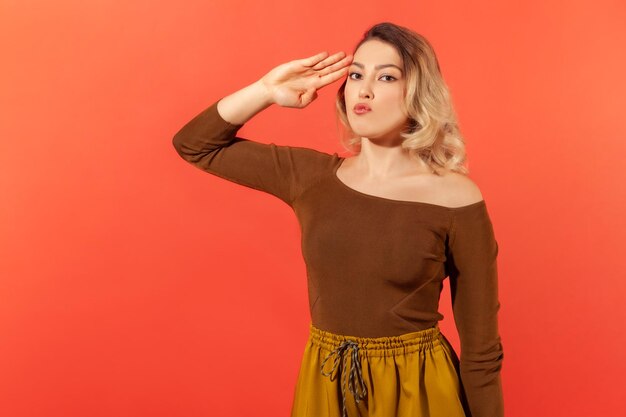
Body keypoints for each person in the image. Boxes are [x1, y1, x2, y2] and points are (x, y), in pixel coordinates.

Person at [172, 22, 504, 417]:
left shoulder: (455, 197)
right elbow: (194, 145)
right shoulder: (311, 178)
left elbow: (482, 349)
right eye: (355, 75)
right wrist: (265, 91)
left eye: (386, 77)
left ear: (418, 94)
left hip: (419, 389)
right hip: (327, 382)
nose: (363, 89)